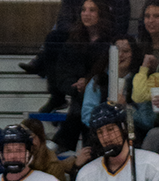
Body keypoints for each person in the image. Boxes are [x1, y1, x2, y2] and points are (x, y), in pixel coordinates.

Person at [46, 0, 114, 149]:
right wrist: (74, 86)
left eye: (92, 10)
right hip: (78, 95)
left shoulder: (110, 42)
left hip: (101, 97)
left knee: (80, 108)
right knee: (79, 106)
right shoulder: (73, 40)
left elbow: (108, 73)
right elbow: (62, 72)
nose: (86, 14)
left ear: (100, 14)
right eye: (83, 10)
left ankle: (61, 143)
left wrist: (88, 83)